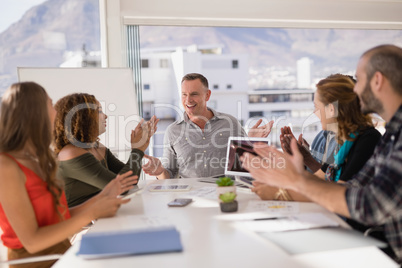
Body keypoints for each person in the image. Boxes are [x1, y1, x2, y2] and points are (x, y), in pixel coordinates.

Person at [241, 45, 402, 264]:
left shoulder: (378, 137)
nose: (355, 90)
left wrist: (291, 184)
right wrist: (293, 174)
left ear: (377, 81)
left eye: (359, 79)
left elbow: (371, 206)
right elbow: (348, 188)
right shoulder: (390, 136)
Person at [0, 82, 136, 267]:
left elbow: (58, 217)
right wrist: (93, 211)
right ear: (34, 112)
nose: (56, 113)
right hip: (37, 262)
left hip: (63, 253)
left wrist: (102, 198)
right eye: (50, 104)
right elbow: (32, 242)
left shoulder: (40, 159)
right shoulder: (6, 166)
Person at [252, 74, 381, 201]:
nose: (314, 113)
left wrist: (279, 194)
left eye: (316, 107)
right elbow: (320, 178)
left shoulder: (368, 140)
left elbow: (337, 193)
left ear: (331, 109)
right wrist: (287, 171)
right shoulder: (345, 140)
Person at [143, 73, 274, 179]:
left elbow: (245, 166)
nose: (188, 100)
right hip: (191, 195)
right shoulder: (173, 131)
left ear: (207, 95)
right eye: (184, 94)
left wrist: (250, 142)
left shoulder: (230, 123)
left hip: (227, 191)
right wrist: (159, 171)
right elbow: (169, 176)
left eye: (194, 94)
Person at [54, 93, 159, 207]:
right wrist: (138, 149)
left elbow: (130, 180)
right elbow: (122, 188)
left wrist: (138, 147)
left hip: (97, 217)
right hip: (78, 223)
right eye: (99, 111)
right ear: (83, 117)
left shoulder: (97, 147)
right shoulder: (70, 153)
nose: (105, 116)